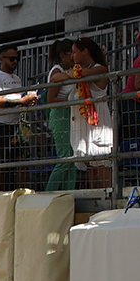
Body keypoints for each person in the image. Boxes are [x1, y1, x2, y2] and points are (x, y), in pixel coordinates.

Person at [0, 45, 37, 191]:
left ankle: (22, 193)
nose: (16, 61)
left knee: (21, 160)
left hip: (16, 125)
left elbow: (16, 101)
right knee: (1, 163)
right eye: (12, 58)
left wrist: (27, 101)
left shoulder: (16, 78)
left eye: (17, 58)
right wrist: (22, 101)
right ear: (1, 59)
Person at [68, 37, 114, 190]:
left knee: (101, 164)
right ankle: (95, 198)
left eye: (75, 52)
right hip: (82, 127)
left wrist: (72, 74)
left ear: (85, 51)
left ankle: (110, 197)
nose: (72, 56)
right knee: (91, 168)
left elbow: (81, 74)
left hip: (97, 124)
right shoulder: (78, 72)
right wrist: (72, 74)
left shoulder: (100, 69)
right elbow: (56, 77)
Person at [44, 39, 78, 191]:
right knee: (65, 159)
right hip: (60, 114)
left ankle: (68, 192)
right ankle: (48, 193)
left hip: (71, 114)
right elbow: (51, 99)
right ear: (64, 55)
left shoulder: (72, 69)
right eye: (73, 54)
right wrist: (71, 100)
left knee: (74, 159)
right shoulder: (57, 71)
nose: (74, 57)